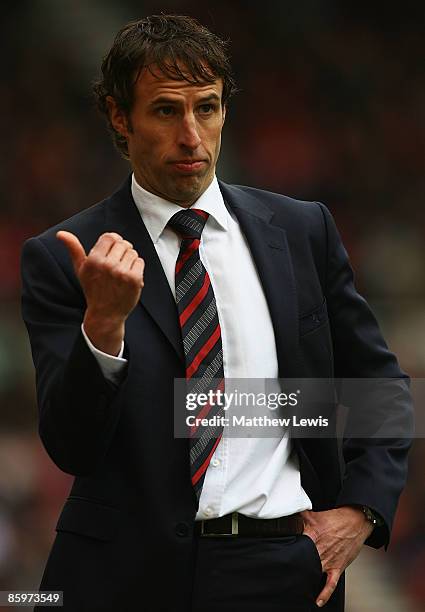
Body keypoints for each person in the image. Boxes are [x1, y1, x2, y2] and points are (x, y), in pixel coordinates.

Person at [21, 14, 412, 612]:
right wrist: (102, 326)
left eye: (206, 108)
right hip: (128, 577)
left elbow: (377, 391)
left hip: (285, 570)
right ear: (119, 118)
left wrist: (361, 513)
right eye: (165, 111)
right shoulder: (65, 258)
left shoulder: (303, 231)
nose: (191, 136)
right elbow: (72, 449)